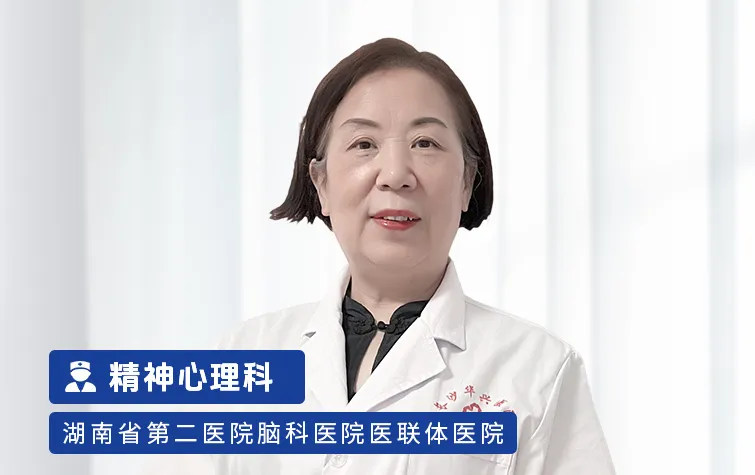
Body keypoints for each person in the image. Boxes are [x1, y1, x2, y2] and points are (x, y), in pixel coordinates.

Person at [148, 37, 615, 475]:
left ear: (467, 182)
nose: (395, 174)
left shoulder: (539, 369)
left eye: (425, 143)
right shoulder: (241, 357)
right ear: (320, 184)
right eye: (364, 145)